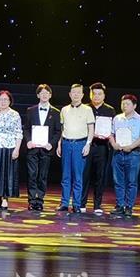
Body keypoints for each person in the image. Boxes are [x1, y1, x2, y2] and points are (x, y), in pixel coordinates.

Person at [57, 83, 95, 213]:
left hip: (80, 144)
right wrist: (59, 144)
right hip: (66, 143)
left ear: (83, 95)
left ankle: (77, 204)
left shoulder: (87, 109)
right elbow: (62, 129)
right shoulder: (64, 110)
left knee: (78, 176)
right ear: (70, 94)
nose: (76, 94)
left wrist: (88, 144)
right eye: (74, 92)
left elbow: (91, 129)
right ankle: (64, 203)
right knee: (65, 175)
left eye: (79, 92)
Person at [109, 94, 140, 217]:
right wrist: (114, 144)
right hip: (118, 153)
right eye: (123, 104)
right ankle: (120, 205)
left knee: (131, 181)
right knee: (118, 181)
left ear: (134, 106)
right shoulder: (117, 118)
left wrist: (131, 146)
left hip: (133, 153)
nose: (124, 106)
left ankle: (129, 206)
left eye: (127, 104)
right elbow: (111, 134)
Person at [23, 84, 61, 211]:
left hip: (46, 149)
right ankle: (32, 200)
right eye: (42, 93)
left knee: (43, 176)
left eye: (47, 93)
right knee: (32, 175)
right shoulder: (30, 110)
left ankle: (39, 200)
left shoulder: (56, 112)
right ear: (38, 95)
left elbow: (58, 131)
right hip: (33, 148)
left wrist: (51, 143)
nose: (44, 95)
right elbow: (26, 129)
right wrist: (28, 141)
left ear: (50, 95)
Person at [81, 82, 116, 214]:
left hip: (102, 147)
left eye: (99, 94)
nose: (96, 96)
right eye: (94, 94)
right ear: (90, 95)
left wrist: (108, 135)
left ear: (104, 95)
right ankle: (82, 203)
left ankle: (97, 205)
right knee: (84, 175)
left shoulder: (110, 110)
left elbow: (112, 129)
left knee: (100, 176)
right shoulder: (85, 108)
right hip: (86, 146)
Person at [0, 90, 23, 209]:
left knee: (7, 172)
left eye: (6, 99)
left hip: (9, 146)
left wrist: (17, 149)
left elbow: (19, 133)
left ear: (10, 101)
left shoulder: (15, 114)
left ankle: (5, 198)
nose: (3, 102)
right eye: (1, 99)